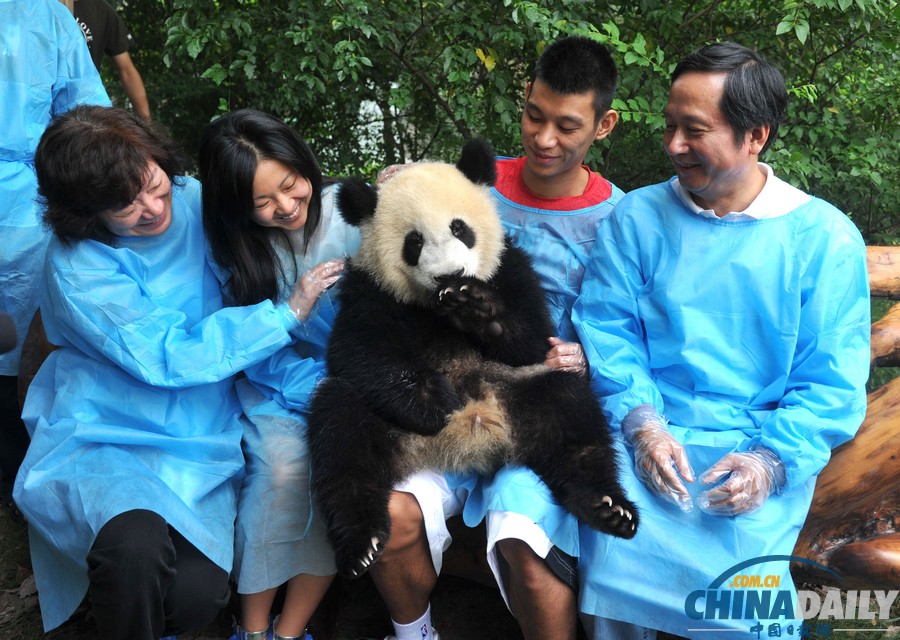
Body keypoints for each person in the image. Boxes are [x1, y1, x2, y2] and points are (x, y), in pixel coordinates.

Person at [572, 42, 870, 638]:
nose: (674, 145)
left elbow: (830, 381)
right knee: (612, 581)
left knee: (746, 611)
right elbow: (608, 332)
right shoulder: (637, 218)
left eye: (695, 130)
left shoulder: (824, 239)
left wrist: (770, 463)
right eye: (670, 126)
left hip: (757, 446)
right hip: (646, 436)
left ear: (755, 136)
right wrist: (642, 424)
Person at [13, 106, 334, 640]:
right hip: (109, 432)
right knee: (133, 550)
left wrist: (383, 190)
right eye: (125, 206)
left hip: (198, 438)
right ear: (85, 214)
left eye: (155, 186)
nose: (152, 209)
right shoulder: (77, 265)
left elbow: (276, 193)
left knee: (197, 595)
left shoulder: (192, 198)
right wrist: (283, 316)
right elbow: (167, 355)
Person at [371, 35, 622, 640]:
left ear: (604, 125)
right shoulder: (462, 188)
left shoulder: (621, 218)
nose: (543, 138)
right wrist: (398, 194)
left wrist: (592, 355)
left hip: (537, 406)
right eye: (534, 115)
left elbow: (630, 324)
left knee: (523, 538)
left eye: (566, 125)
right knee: (389, 511)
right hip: (445, 399)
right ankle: (415, 633)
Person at [199, 109, 360, 640]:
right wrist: (294, 307)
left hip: (362, 385)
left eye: (291, 187)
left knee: (336, 469)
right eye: (263, 203)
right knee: (283, 470)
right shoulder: (237, 250)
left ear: (303, 165)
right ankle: (251, 627)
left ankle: (290, 630)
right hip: (277, 386)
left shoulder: (354, 213)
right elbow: (254, 353)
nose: (286, 208)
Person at [0, 0, 110, 521]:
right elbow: (87, 118)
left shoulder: (47, 16)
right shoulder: (47, 16)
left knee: (34, 336)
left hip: (30, 203)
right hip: (33, 200)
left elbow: (87, 117)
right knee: (35, 341)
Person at [73, 0, 151, 121]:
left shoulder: (102, 10)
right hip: (40, 104)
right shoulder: (38, 5)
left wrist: (147, 124)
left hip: (82, 113)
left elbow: (127, 70)